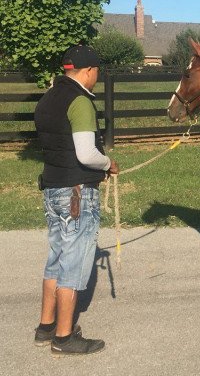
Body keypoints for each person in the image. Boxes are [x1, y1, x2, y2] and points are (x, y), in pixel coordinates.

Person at [33, 45, 119, 356]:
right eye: (97, 71)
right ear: (88, 71)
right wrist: (108, 164)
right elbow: (86, 153)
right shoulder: (80, 100)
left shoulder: (48, 98)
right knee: (73, 263)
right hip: (77, 193)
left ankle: (45, 327)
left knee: (56, 257)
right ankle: (64, 337)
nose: (97, 76)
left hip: (54, 189)